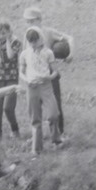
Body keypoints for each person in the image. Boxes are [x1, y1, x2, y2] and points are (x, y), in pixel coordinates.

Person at [23, 6, 74, 135]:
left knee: (55, 107)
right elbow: (25, 56)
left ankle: (59, 135)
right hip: (34, 78)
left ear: (39, 20)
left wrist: (70, 54)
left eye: (31, 21)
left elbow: (70, 38)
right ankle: (37, 137)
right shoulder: (27, 35)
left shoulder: (48, 32)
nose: (29, 24)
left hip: (50, 76)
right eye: (27, 21)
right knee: (35, 109)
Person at [19, 27, 62, 155]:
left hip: (46, 86)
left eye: (35, 40)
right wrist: (26, 80)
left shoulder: (48, 52)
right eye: (31, 41)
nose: (33, 43)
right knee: (35, 118)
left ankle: (56, 141)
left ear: (40, 38)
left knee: (53, 114)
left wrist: (49, 77)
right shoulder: (24, 54)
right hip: (32, 87)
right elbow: (20, 73)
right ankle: (37, 148)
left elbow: (55, 71)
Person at [0, 21, 22, 144]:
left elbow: (10, 55)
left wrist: (8, 40)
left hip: (12, 78)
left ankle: (15, 129)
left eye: (3, 33)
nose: (1, 35)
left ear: (9, 32)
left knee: (8, 108)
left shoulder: (16, 42)